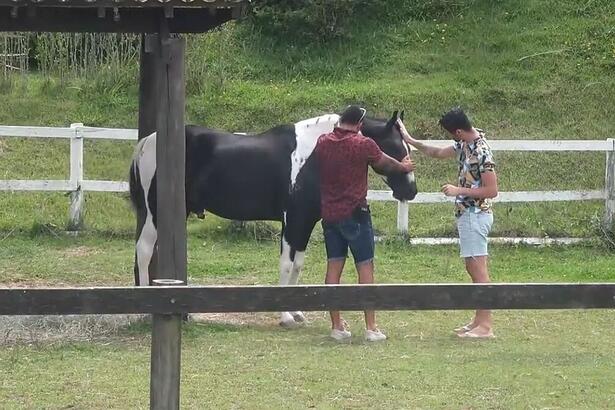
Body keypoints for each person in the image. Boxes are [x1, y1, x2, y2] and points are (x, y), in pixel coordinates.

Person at [315, 105, 415, 343]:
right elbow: (384, 163)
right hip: (356, 213)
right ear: (360, 125)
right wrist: (404, 167)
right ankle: (371, 327)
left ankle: (337, 325)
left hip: (329, 214)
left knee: (333, 269)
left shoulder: (322, 142)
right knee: (365, 268)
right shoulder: (363, 145)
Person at [397, 107, 498, 339]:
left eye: (452, 133)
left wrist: (458, 190)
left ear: (460, 131)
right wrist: (410, 139)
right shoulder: (465, 144)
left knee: (479, 270)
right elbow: (437, 152)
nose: (451, 138)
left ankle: (486, 325)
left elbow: (492, 190)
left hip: (476, 214)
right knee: (472, 267)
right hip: (467, 214)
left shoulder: (482, 152)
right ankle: (478, 320)